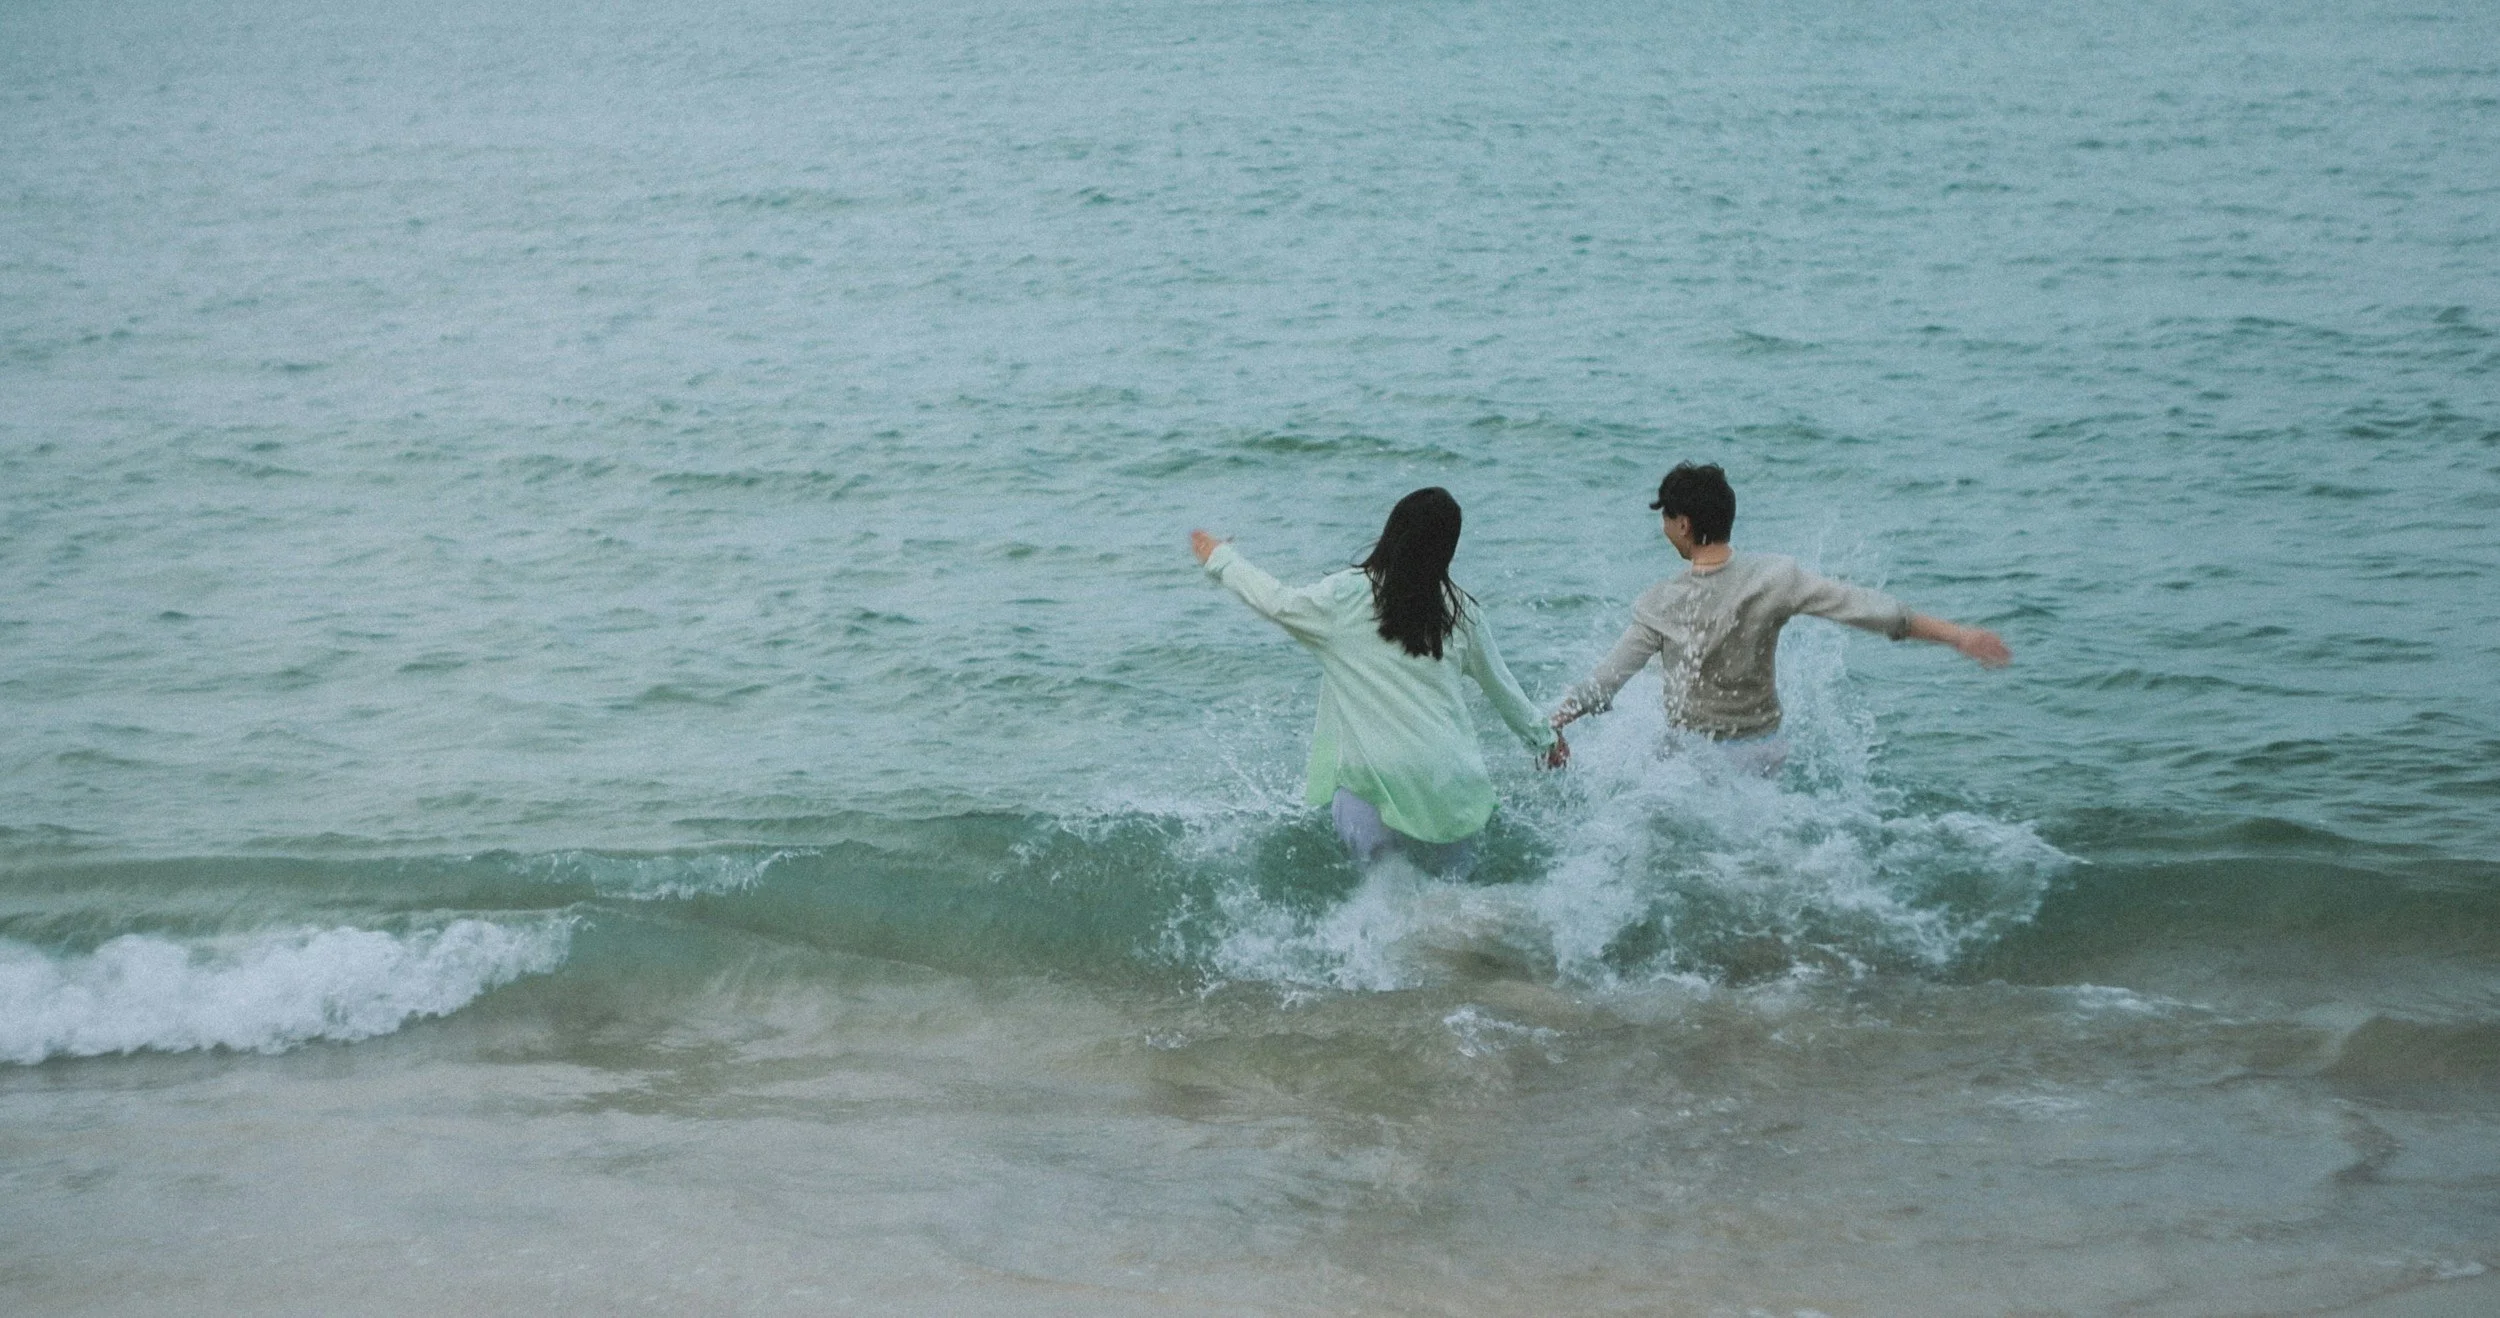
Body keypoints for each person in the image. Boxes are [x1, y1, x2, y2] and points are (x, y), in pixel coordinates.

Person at [1191, 488, 1566, 873]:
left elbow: (1275, 600)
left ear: (1391, 532)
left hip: (1374, 783)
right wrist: (1545, 739)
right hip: (1450, 783)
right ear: (1446, 551)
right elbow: (1502, 689)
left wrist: (1220, 558)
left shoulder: (1344, 597)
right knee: (1454, 907)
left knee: (1386, 899)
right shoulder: (1460, 613)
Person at [1549, 462, 2009, 772]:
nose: (1665, 528)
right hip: (1763, 752)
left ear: (1683, 524)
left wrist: (1553, 724)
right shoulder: (1776, 579)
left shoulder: (1660, 603)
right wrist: (1958, 636)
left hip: (1692, 762)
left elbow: (1605, 682)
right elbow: (1873, 610)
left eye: (1667, 519)